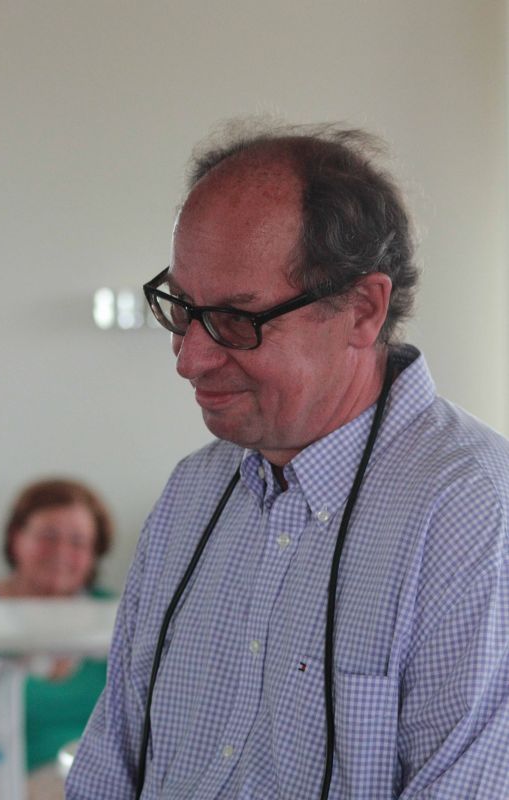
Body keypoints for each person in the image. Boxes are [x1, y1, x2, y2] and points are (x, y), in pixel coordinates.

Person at [66, 123, 509, 799]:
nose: (189, 359)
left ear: (362, 309)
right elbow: (111, 760)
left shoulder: (475, 514)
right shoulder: (193, 491)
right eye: (180, 308)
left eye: (235, 320)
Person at [0, 478, 114, 774]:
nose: (61, 551)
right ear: (16, 537)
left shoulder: (120, 616)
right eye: (48, 536)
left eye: (78, 542)